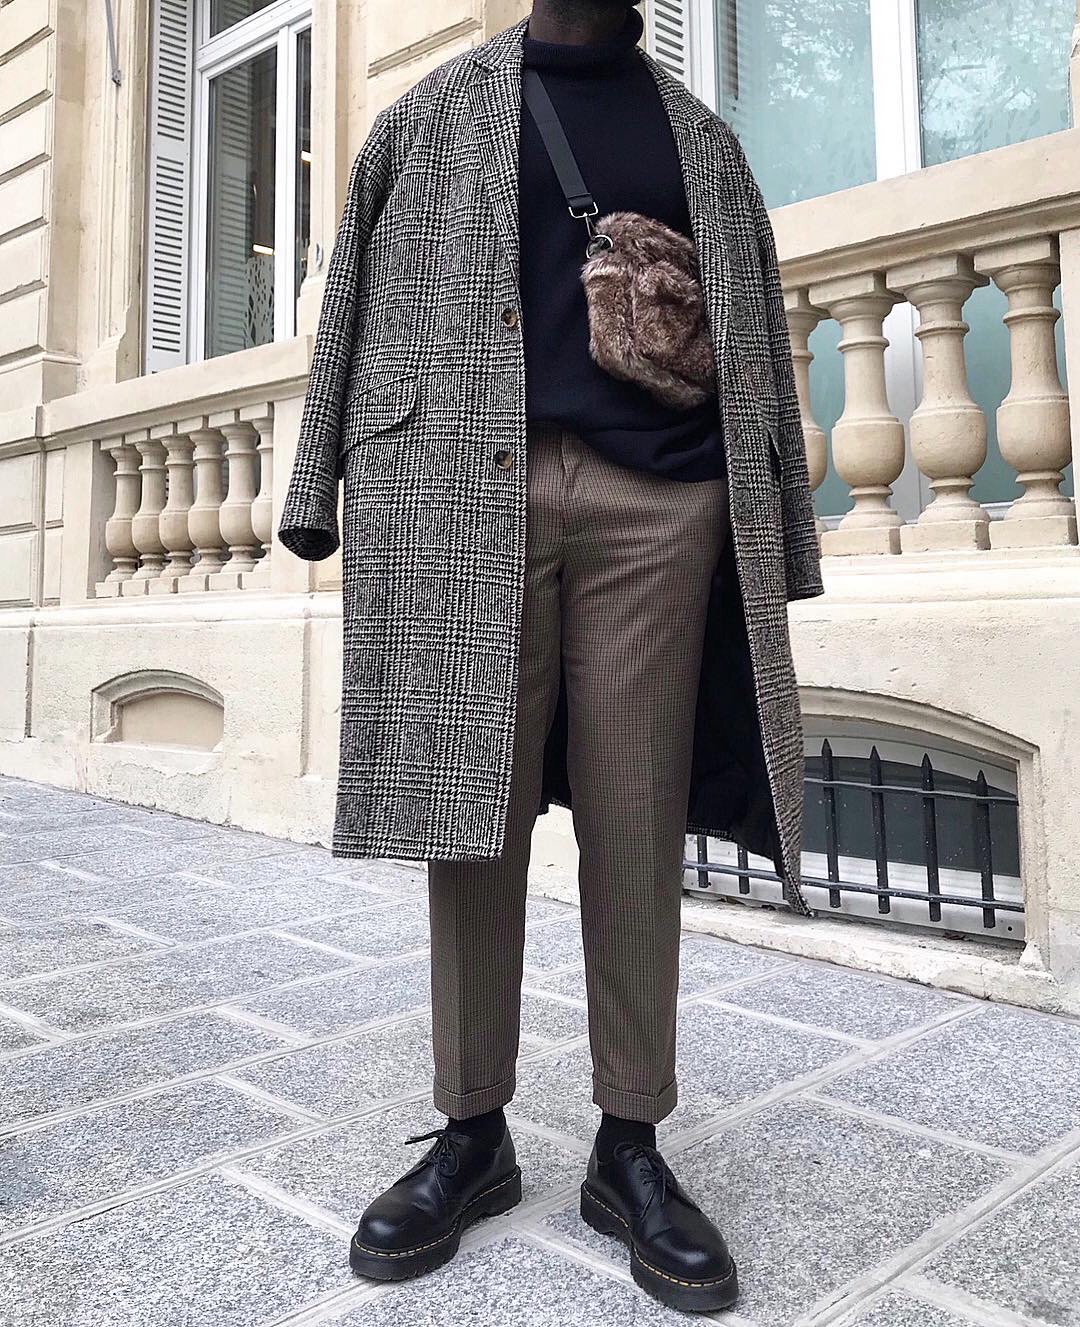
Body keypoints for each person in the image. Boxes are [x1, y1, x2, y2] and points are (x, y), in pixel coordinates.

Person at [277, 0, 824, 1313]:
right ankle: (472, 1130)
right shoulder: (423, 119)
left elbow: (757, 334)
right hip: (464, 496)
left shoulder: (699, 138)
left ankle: (630, 1142)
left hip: (661, 503)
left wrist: (774, 523)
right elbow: (351, 301)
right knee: (473, 817)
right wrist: (315, 487)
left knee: (637, 814)